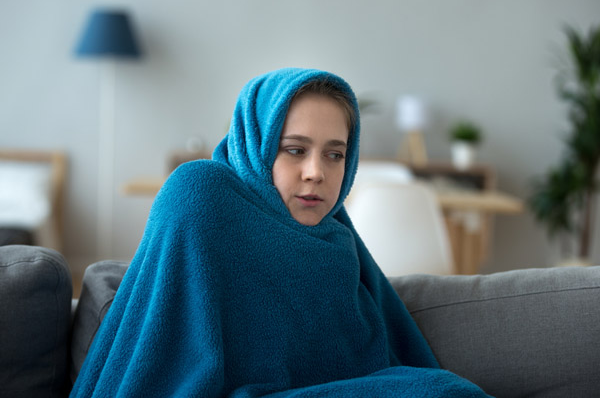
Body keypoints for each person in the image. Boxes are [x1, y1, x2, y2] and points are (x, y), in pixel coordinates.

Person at [71, 68, 490, 397]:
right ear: (258, 142)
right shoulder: (201, 195)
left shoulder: (337, 237)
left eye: (335, 154)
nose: (316, 173)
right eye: (294, 150)